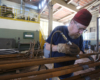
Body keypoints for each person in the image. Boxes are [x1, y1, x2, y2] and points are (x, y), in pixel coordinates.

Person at [45, 9, 92, 80]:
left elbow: (81, 53)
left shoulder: (80, 37)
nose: (81, 32)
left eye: (84, 30)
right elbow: (47, 46)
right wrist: (60, 48)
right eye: (80, 28)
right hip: (54, 70)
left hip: (70, 71)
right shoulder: (59, 30)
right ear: (72, 22)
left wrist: (78, 51)